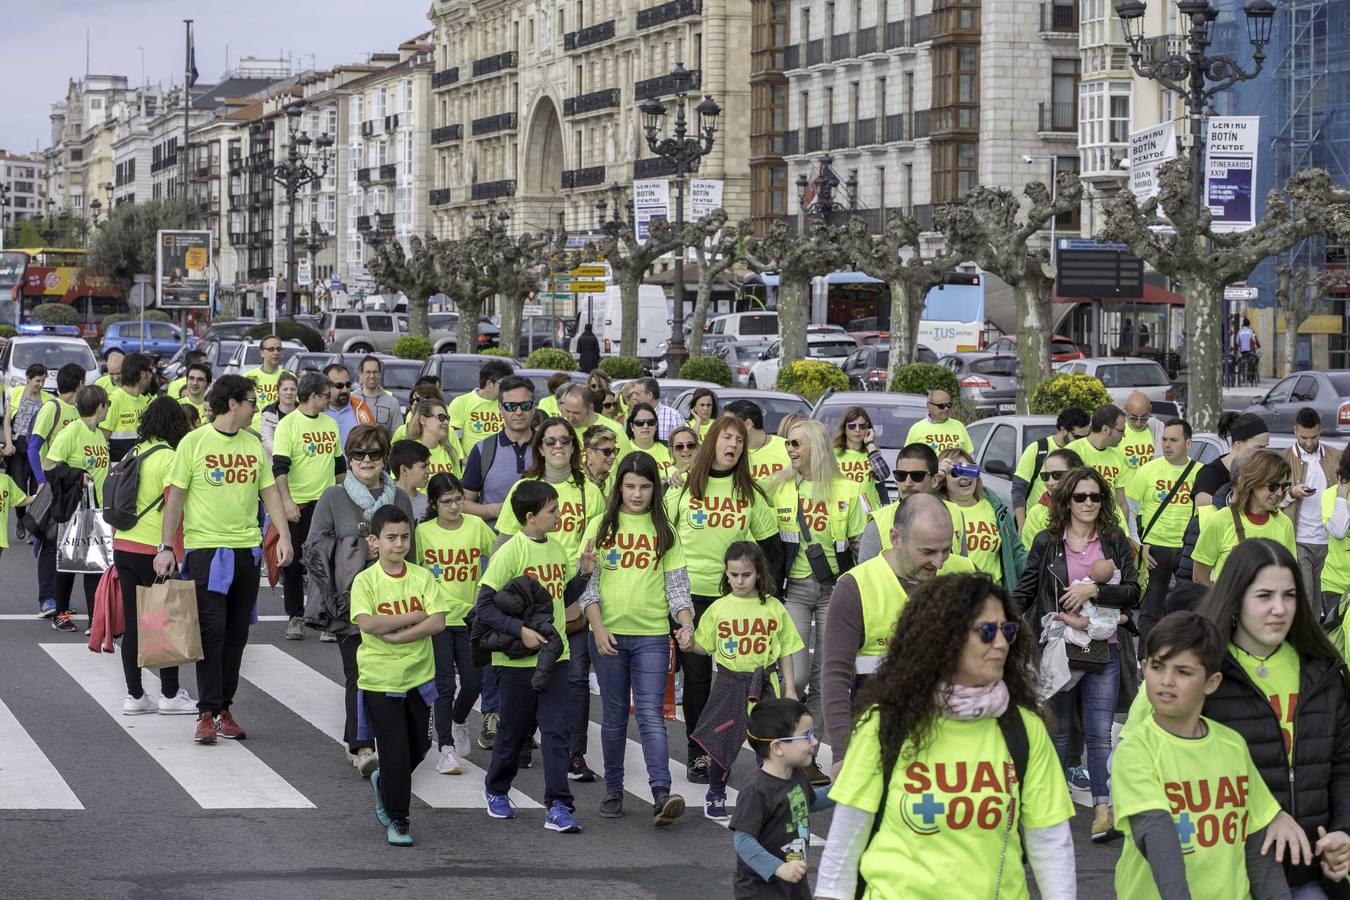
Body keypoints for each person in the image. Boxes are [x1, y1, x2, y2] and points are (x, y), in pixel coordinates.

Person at [814, 573, 1077, 900]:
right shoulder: (884, 725)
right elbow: (844, 844)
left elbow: (1050, 842)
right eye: (986, 631)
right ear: (943, 639)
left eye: (1006, 630)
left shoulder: (1024, 729)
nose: (1000, 643)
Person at [1183, 538, 1350, 895]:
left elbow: (1343, 764)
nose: (1279, 608)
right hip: (1227, 875)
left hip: (1309, 872)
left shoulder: (1322, 671)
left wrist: (1344, 832)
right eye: (1264, 596)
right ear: (1236, 597)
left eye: (1289, 595)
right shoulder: (1198, 672)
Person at [1113, 611, 1308, 900]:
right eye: (1157, 666)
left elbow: (1257, 845)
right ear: (1144, 668)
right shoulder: (1136, 750)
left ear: (1212, 682)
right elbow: (1156, 835)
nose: (1166, 680)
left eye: (1184, 671)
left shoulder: (1233, 746)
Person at [154, 374, 294, 745]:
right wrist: (166, 548)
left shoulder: (253, 445)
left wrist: (283, 536)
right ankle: (206, 711)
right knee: (211, 632)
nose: (255, 407)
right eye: (251, 400)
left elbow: (269, 494)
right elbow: (176, 500)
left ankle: (223, 710)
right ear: (232, 403)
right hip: (204, 552)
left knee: (236, 635)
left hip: (245, 552)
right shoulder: (194, 442)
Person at [1013, 465, 1140, 841]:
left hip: (1105, 648)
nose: (1088, 503)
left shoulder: (1115, 540)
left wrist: (1094, 592)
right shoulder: (1046, 542)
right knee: (1061, 731)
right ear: (1066, 501)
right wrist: (997, 620)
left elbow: (1134, 592)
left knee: (1100, 733)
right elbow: (1027, 589)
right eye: (1080, 496)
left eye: (1095, 496)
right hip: (1059, 649)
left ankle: (1103, 809)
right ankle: (1050, 813)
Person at [665, 415, 784, 783]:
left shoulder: (751, 493)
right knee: (698, 679)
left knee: (732, 682)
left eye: (739, 441)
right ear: (712, 442)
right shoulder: (682, 489)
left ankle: (727, 747)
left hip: (734, 599)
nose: (733, 445)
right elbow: (662, 541)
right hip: (690, 599)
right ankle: (698, 753)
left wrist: (766, 594)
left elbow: (771, 549)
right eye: (726, 438)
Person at [579, 451, 692, 824]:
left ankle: (661, 792)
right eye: (629, 486)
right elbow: (587, 587)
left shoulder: (665, 531)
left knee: (650, 716)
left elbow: (677, 589)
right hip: (608, 635)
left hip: (653, 637)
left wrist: (686, 622)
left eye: (645, 486)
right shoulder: (600, 526)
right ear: (618, 487)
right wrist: (597, 628)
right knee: (612, 717)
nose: (637, 494)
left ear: (655, 489)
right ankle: (613, 789)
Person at [820, 494, 977, 760]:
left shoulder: (965, 574)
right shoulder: (856, 586)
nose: (939, 563)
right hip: (879, 743)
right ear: (896, 538)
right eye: (927, 552)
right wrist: (842, 755)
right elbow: (835, 677)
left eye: (946, 550)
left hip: (950, 741)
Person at [491, 416, 605, 772]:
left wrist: (586, 585)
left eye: (565, 441)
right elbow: (504, 543)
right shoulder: (524, 487)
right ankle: (524, 737)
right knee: (531, 674)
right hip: (530, 599)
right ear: (539, 448)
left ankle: (574, 752)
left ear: (574, 448)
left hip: (573, 590)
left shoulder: (589, 489)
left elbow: (597, 542)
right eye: (551, 441)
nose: (558, 446)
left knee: (575, 677)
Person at [475, 480, 590, 833]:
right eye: (552, 510)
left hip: (556, 656)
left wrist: (584, 574)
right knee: (514, 731)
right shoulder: (510, 551)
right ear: (530, 516)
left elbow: (561, 596)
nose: (559, 515)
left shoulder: (556, 549)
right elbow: (483, 605)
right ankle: (496, 789)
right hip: (516, 662)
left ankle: (558, 805)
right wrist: (518, 630)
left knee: (557, 732)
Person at [305, 424, 412, 776]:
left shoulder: (400, 498)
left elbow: (415, 551)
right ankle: (361, 745)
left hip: (395, 600)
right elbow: (314, 549)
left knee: (396, 673)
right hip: (349, 601)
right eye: (359, 454)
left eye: (375, 454)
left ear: (385, 457)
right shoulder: (333, 497)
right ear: (348, 459)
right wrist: (357, 549)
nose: (367, 460)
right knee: (359, 672)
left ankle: (396, 741)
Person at [774, 418, 865, 783]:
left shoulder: (849, 488)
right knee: (793, 675)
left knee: (828, 678)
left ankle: (808, 755)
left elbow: (863, 547)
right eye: (788, 445)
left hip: (835, 594)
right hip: (793, 591)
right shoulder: (777, 489)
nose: (791, 450)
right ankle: (789, 749)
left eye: (797, 444)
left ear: (817, 446)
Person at [687, 541, 804, 822]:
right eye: (734, 574)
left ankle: (767, 798)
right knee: (721, 740)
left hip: (765, 682)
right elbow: (705, 646)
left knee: (768, 745)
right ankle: (716, 794)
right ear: (726, 574)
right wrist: (689, 644)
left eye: (746, 575)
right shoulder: (719, 608)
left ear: (759, 575)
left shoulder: (774, 607)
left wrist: (789, 688)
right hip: (729, 682)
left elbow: (785, 649)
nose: (740, 580)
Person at [351, 504, 446, 846]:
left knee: (420, 746)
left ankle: (384, 781)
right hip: (380, 679)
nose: (399, 544)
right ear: (375, 541)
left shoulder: (421, 577)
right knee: (395, 752)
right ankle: (399, 819)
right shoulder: (366, 581)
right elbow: (368, 623)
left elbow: (437, 621)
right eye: (391, 538)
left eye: (405, 537)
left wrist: (399, 634)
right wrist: (413, 616)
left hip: (419, 679)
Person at [113, 396, 197, 714]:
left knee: (135, 625)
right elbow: (172, 507)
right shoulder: (170, 457)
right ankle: (170, 694)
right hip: (155, 550)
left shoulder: (135, 452)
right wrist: (174, 549)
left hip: (124, 545)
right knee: (164, 622)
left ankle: (135, 696)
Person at [416, 473, 495, 777]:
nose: (454, 506)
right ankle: (445, 748)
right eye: (446, 502)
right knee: (444, 685)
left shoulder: (475, 526)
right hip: (435, 619)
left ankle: (458, 720)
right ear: (434, 504)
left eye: (459, 500)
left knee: (475, 682)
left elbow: (498, 556)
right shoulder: (423, 532)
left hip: (469, 617)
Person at [727, 697, 833, 899]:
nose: (815, 741)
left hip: (793, 885)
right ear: (777, 747)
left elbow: (809, 803)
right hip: (761, 890)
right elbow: (743, 841)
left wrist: (843, 790)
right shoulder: (756, 789)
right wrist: (779, 868)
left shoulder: (797, 774)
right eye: (806, 735)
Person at [272, 371, 345, 641]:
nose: (331, 398)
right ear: (314, 396)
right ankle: (295, 615)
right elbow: (279, 468)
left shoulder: (330, 424)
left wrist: (344, 496)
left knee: (327, 563)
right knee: (292, 563)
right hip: (298, 505)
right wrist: (287, 502)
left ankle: (325, 618)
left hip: (326, 505)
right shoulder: (288, 425)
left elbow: (339, 466)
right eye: (327, 394)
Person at [43, 384, 111, 633]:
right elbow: (49, 465)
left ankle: (95, 621)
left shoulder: (98, 434)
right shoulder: (72, 431)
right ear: (100, 406)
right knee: (69, 563)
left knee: (95, 564)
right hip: (75, 507)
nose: (107, 411)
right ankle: (60, 614)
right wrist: (78, 476)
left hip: (98, 509)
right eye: (107, 406)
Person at [1128, 418, 1199, 649]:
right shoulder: (1148, 470)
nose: (1167, 445)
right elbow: (1129, 510)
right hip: (1154, 550)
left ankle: (1180, 651)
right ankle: (1146, 657)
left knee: (1185, 607)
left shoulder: (1200, 473)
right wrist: (1138, 544)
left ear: (1188, 443)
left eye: (1174, 440)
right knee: (1150, 608)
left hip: (1187, 549)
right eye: (1165, 440)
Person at [28, 362, 84, 618]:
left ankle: (60, 598)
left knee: (65, 545)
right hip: (52, 485)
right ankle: (47, 599)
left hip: (71, 486)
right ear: (80, 383)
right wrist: (41, 480)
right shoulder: (53, 408)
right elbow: (33, 446)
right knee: (50, 543)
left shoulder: (78, 411)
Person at [1192, 450, 1297, 586]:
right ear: (1252, 482)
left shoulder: (1285, 524)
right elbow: (1200, 577)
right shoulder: (1220, 520)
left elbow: (1289, 575)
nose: (1279, 493)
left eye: (1284, 486)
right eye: (1273, 486)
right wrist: (1225, 602)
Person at [934, 447, 1024, 591]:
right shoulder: (935, 510)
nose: (965, 477)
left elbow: (1016, 551)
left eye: (969, 470)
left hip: (994, 598)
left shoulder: (995, 507)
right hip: (953, 598)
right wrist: (933, 481)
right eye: (956, 472)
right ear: (943, 480)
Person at [1282, 407, 1340, 610]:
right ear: (1295, 431)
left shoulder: (1335, 457)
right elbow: (1270, 500)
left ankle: (1317, 640)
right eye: (1303, 437)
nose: (1309, 442)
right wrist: (1291, 493)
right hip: (1299, 540)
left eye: (1313, 437)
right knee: (1304, 598)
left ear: (1320, 430)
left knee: (1325, 601)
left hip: (1330, 541)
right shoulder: (1284, 459)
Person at [462, 374, 535, 529]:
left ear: (534, 407)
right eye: (511, 406)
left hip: (540, 546)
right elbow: (464, 503)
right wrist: (490, 510)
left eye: (526, 405)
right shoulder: (483, 450)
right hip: (493, 545)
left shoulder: (549, 447)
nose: (519, 412)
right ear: (500, 409)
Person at [856, 443, 940, 561]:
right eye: (901, 475)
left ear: (935, 480)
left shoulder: (955, 514)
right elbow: (865, 577)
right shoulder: (878, 524)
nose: (907, 483)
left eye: (917, 476)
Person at [1012, 406, 1090, 529]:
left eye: (1086, 437)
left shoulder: (1083, 452)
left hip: (1071, 525)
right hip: (1038, 525)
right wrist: (1022, 527)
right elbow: (1018, 489)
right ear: (1064, 430)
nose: (1082, 441)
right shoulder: (1037, 449)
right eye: (1077, 437)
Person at [724, 399, 794, 528]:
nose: (723, 429)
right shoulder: (729, 456)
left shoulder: (786, 447)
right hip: (747, 535)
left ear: (747, 425)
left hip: (786, 531)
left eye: (729, 423)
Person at [5, 363, 49, 539]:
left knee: (36, 485)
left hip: (36, 445)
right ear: (28, 379)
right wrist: (8, 443)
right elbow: (7, 421)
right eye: (38, 380)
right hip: (18, 444)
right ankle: (20, 520)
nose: (40, 385)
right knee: (20, 485)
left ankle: (34, 524)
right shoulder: (15, 393)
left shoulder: (47, 400)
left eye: (43, 381)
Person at [1066, 403, 1130, 521]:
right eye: (1121, 430)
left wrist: (1123, 532)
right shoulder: (1073, 451)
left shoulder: (1119, 456)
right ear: (1105, 429)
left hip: (1110, 527)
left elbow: (1122, 502)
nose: (1124, 435)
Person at [1193, 411, 1270, 508]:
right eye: (1259, 447)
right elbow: (1204, 515)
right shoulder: (1209, 475)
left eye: (1266, 447)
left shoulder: (1260, 473)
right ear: (1238, 444)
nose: (1263, 453)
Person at [1019, 448, 1084, 550]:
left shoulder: (1094, 505)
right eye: (1045, 476)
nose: (1050, 482)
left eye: (1057, 475)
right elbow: (1030, 555)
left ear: (1077, 474)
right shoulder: (1037, 512)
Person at [448, 359, 512, 457]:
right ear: (489, 383)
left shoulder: (509, 404)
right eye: (503, 383)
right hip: (470, 465)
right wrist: (467, 463)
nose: (507, 387)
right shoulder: (461, 403)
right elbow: (454, 440)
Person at [831, 407, 891, 513]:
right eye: (852, 426)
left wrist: (870, 444)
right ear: (844, 429)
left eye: (862, 426)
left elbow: (883, 475)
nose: (857, 430)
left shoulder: (872, 454)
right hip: (841, 514)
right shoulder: (833, 454)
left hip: (868, 517)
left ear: (868, 428)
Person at [100, 351, 155, 463]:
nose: (151, 375)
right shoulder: (115, 400)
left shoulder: (143, 401)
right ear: (142, 374)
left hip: (133, 470)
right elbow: (101, 440)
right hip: (117, 472)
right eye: (149, 371)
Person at [1120, 391, 1164, 518]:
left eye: (1144, 418)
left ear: (1150, 410)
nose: (1139, 423)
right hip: (1126, 506)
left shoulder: (1157, 429)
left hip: (1150, 507)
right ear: (1125, 411)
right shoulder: (1118, 432)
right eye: (1133, 418)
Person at [559, 383, 630, 457]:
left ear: (590, 408)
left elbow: (627, 465)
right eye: (567, 411)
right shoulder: (560, 428)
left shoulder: (615, 431)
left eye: (576, 413)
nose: (570, 417)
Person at [1321, 453, 1350, 617]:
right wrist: (1342, 494)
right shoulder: (1330, 495)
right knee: (1336, 641)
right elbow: (1339, 531)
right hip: (1336, 584)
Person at [902, 389, 973, 455]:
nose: (946, 409)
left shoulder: (959, 426)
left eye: (949, 405)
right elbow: (908, 457)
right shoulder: (916, 429)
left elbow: (969, 456)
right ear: (929, 406)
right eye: (941, 406)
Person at [243, 335, 291, 432]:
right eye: (271, 349)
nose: (276, 352)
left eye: (278, 349)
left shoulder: (289, 377)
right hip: (253, 431)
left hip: (280, 432)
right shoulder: (248, 377)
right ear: (262, 353)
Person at [407, 398, 463, 477]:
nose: (446, 422)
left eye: (447, 418)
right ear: (423, 420)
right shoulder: (408, 451)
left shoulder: (449, 451)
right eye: (441, 417)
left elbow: (457, 484)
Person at [324, 363, 376, 447]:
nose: (345, 390)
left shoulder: (361, 408)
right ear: (325, 386)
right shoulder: (317, 411)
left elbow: (373, 440)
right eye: (339, 386)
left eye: (348, 385)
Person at [355, 355, 401, 438]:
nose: (372, 376)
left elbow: (397, 436)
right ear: (361, 375)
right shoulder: (351, 399)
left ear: (380, 374)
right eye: (368, 372)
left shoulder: (392, 402)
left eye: (375, 372)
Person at [626, 402, 673, 480]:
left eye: (650, 422)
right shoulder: (625, 449)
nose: (645, 426)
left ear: (656, 425)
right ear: (632, 426)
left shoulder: (670, 448)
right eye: (639, 423)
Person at [628, 377, 684, 442]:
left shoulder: (673, 416)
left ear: (649, 395)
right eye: (640, 423)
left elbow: (681, 445)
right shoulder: (633, 415)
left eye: (637, 394)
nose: (635, 398)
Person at [258, 371, 299, 456]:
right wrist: (285, 454)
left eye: (293, 389)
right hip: (276, 462)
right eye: (285, 389)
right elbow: (267, 442)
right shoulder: (268, 414)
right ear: (278, 391)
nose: (289, 393)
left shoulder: (303, 412)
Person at [389, 439, 431, 519]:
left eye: (428, 465)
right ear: (404, 470)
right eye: (423, 466)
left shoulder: (428, 504)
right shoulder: (384, 501)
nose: (429, 471)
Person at [583, 424, 619, 496]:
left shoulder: (616, 485)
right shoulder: (575, 480)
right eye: (607, 451)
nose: (613, 456)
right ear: (590, 453)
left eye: (614, 451)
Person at [178, 362, 212, 427]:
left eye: (200, 380)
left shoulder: (213, 408)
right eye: (191, 378)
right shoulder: (176, 405)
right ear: (186, 381)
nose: (195, 383)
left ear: (208, 384)